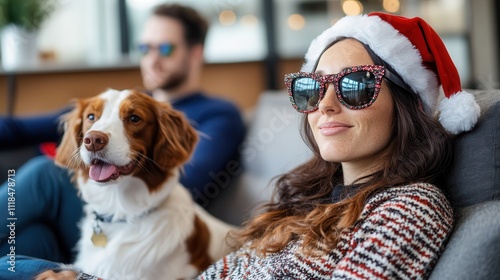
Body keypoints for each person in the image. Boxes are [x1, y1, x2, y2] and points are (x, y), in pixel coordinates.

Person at [4, 11, 482, 280]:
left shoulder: (410, 205)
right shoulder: (311, 195)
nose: (326, 104)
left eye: (356, 85)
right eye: (311, 89)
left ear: (407, 104)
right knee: (26, 248)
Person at [0, 3, 245, 265]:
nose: (152, 58)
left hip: (150, 220)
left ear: (196, 53)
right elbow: (20, 128)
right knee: (30, 240)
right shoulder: (114, 103)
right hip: (99, 219)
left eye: (165, 48)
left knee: (44, 173)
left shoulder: (219, 113)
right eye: (144, 48)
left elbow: (191, 181)